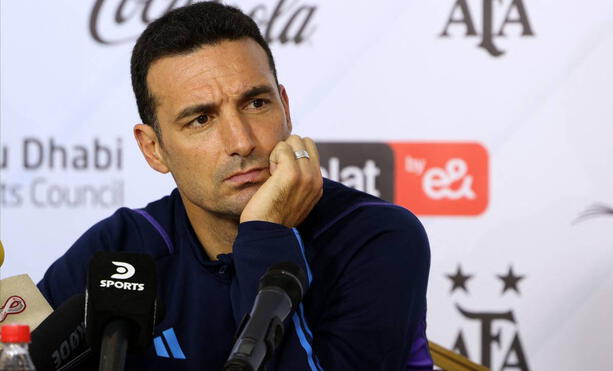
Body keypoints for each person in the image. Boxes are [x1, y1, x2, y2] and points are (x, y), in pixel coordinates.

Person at [37, 3, 433, 370]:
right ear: (153, 148)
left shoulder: (375, 236)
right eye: (201, 120)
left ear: (286, 108)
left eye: (256, 103)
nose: (241, 142)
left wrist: (265, 233)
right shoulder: (123, 249)